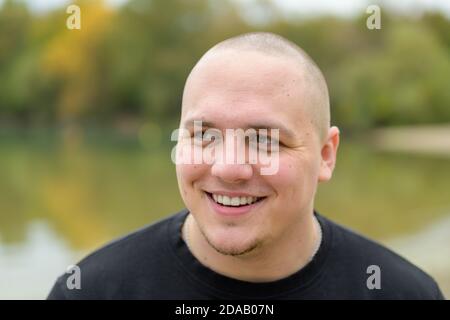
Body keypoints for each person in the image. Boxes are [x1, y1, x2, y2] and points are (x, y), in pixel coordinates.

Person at [48, 32, 444, 299]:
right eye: (203, 135)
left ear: (326, 154)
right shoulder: (92, 290)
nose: (229, 168)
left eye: (265, 140)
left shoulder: (402, 292)